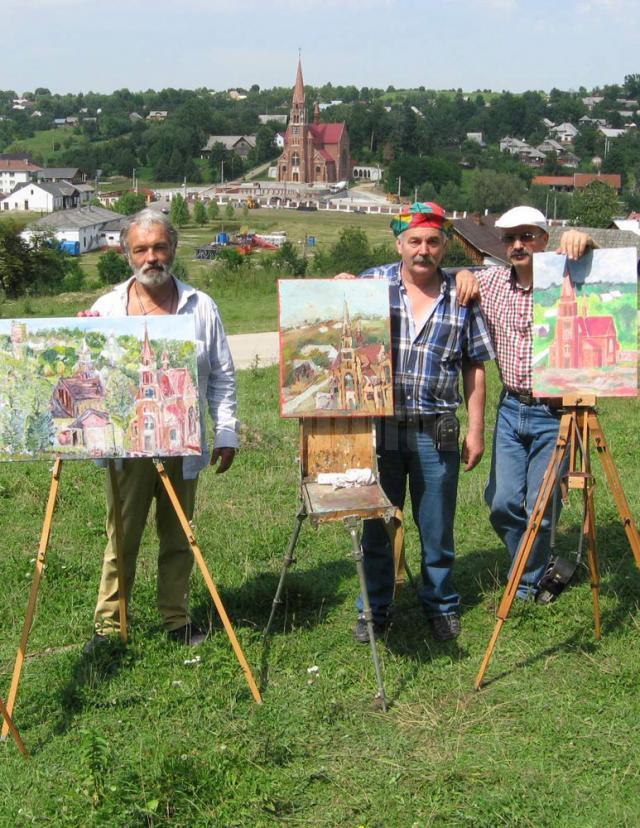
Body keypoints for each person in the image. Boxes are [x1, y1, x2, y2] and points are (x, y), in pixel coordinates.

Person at [337, 202, 495, 642]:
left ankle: (441, 605)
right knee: (376, 525)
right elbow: (335, 316)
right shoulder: (373, 284)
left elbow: (475, 365)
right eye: (414, 241)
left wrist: (477, 429)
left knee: (436, 527)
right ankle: (374, 609)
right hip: (379, 429)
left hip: (435, 431)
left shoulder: (461, 294)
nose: (423, 250)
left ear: (444, 246)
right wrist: (337, 288)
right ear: (398, 244)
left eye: (432, 241)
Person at [84, 209, 239, 650]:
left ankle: (176, 618)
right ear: (127, 254)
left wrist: (226, 432)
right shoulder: (107, 308)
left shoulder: (200, 305)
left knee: (178, 535)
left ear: (172, 248)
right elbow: (87, 376)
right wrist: (82, 339)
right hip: (125, 445)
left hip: (182, 440)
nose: (151, 257)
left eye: (159, 247)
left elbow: (223, 375)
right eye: (141, 249)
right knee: (123, 535)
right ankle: (111, 625)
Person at [456, 206, 596, 600]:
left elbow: (607, 271)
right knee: (501, 502)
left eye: (527, 236)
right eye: (510, 238)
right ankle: (535, 562)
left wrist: (587, 241)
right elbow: (444, 279)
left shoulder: (569, 277)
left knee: (540, 501)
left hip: (556, 412)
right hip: (510, 407)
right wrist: (463, 274)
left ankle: (529, 579)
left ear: (544, 240)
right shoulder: (494, 281)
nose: (518, 245)